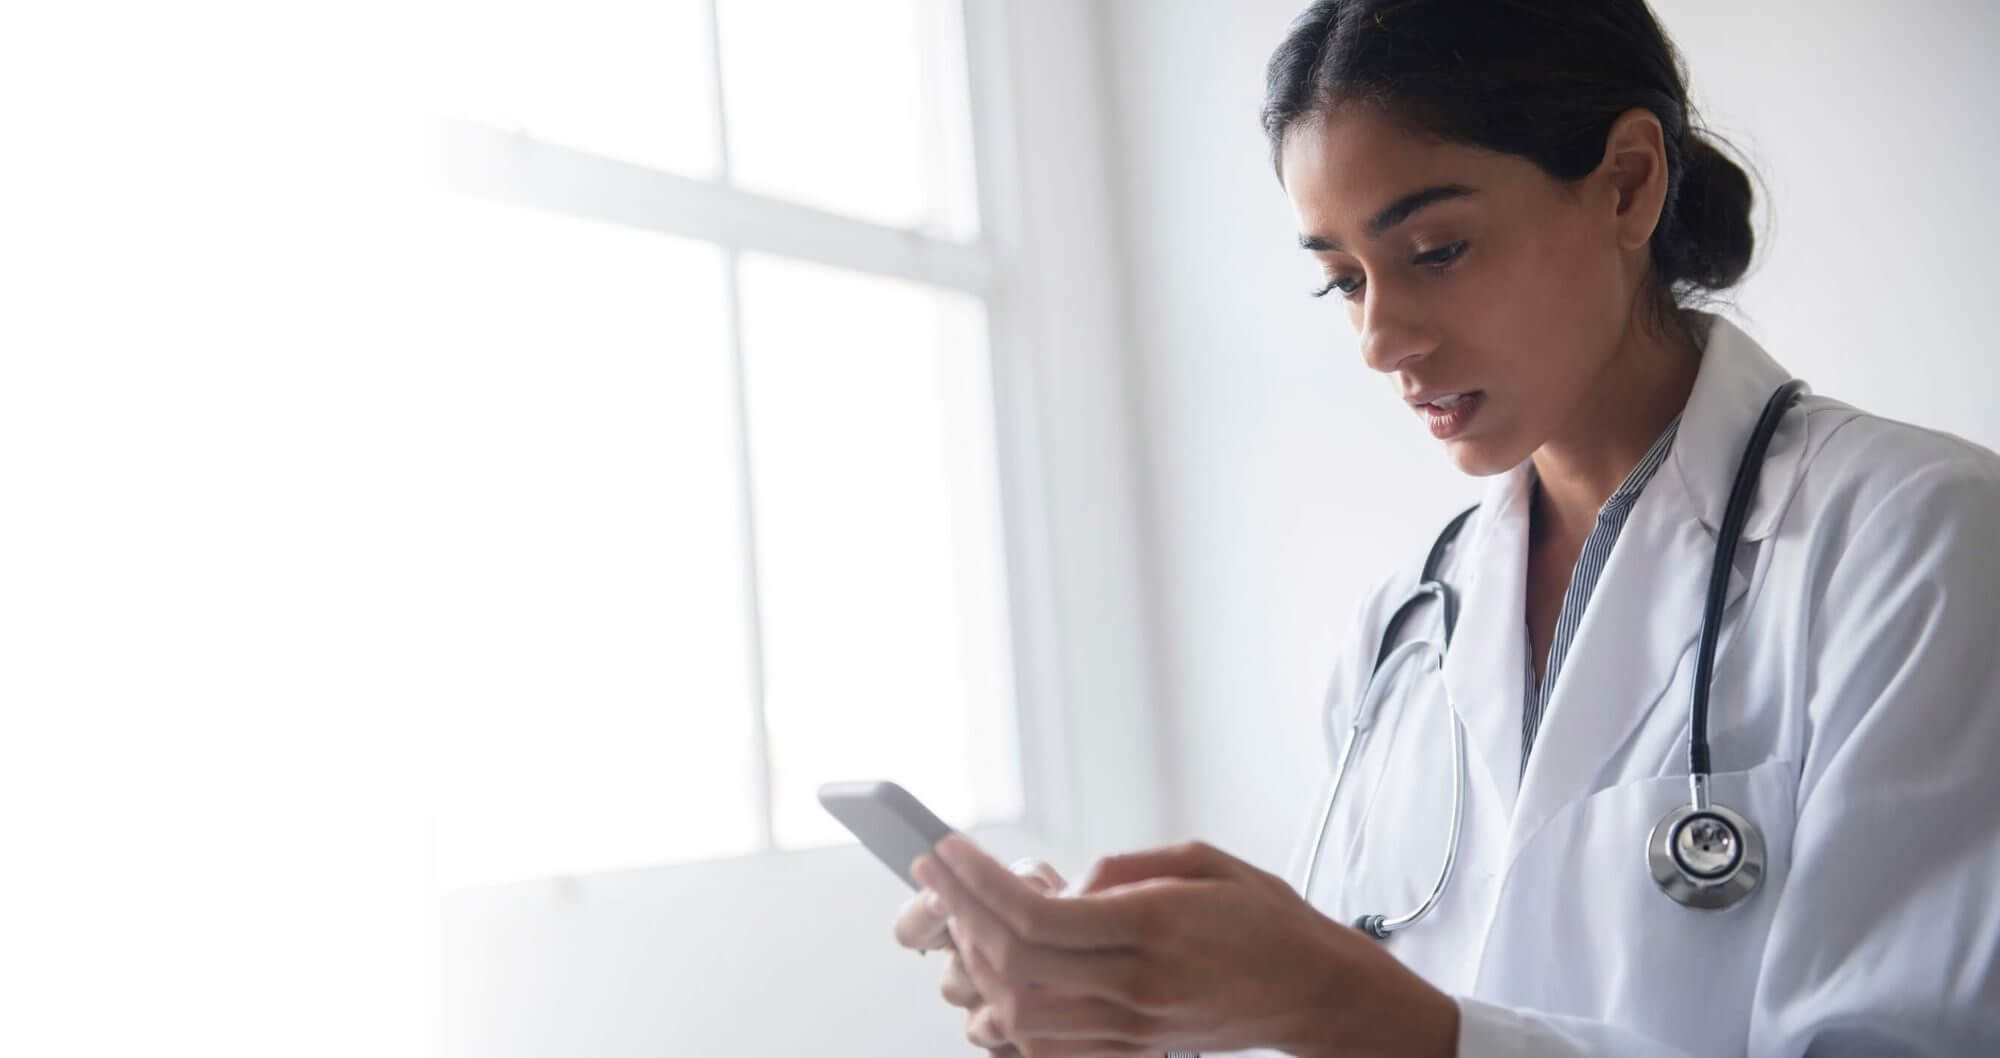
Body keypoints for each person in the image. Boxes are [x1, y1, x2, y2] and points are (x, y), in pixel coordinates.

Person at [890, 1, 2000, 1054]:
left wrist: (1333, 993)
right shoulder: (1402, 634)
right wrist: (1136, 1015)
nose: (1378, 338)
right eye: (1340, 281)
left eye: (1433, 251)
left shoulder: (1915, 539)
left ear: (1624, 184)